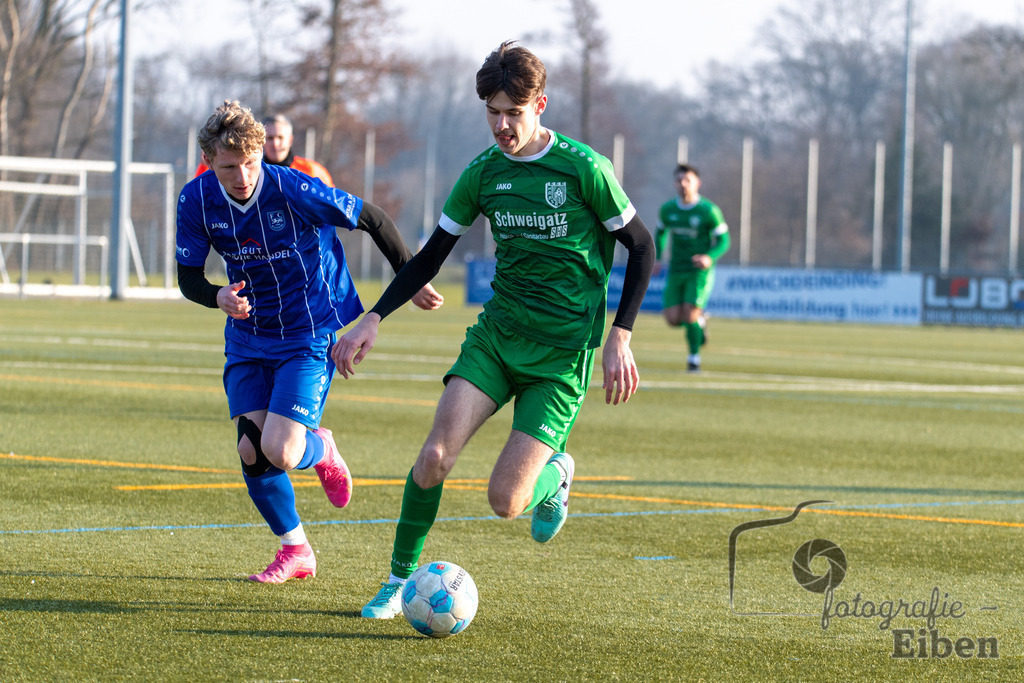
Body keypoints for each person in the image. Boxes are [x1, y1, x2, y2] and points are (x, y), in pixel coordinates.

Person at [331, 41, 655, 619]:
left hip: (560, 358)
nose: (502, 125)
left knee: (505, 503)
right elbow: (430, 255)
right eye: (492, 112)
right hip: (497, 339)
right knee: (433, 456)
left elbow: (641, 246)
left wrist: (620, 335)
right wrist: (374, 317)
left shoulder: (584, 169)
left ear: (541, 105)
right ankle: (397, 581)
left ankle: (556, 468)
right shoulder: (482, 175)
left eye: (514, 112)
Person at [175, 100, 443, 583]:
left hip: (307, 333)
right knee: (251, 451)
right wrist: (217, 296)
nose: (241, 176)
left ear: (263, 155)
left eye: (250, 164)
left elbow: (373, 218)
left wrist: (410, 270)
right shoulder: (195, 200)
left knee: (280, 450)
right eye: (228, 167)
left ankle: (320, 447)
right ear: (209, 162)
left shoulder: (293, 188)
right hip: (248, 337)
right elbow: (187, 277)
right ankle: (295, 549)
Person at [654, 163, 730, 372]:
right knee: (672, 319)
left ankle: (693, 358)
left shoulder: (708, 210)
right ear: (674, 183)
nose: (683, 184)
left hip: (698, 271)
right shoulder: (668, 209)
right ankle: (700, 323)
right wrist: (658, 258)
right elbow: (660, 232)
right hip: (676, 269)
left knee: (689, 316)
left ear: (698, 183)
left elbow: (724, 240)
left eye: (688, 180)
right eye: (679, 180)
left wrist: (709, 257)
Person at [193, 113, 333, 185]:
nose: (275, 143)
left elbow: (331, 206)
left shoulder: (312, 171)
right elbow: (203, 190)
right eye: (270, 138)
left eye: (280, 137)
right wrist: (207, 165)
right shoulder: (248, 171)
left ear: (290, 139)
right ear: (261, 141)